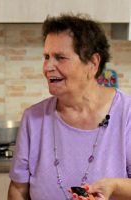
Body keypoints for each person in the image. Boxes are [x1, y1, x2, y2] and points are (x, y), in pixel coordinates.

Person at [8, 14, 131, 200]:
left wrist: (113, 186)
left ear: (93, 63)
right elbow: (18, 190)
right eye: (46, 57)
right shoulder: (33, 118)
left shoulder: (126, 113)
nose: (48, 66)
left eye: (60, 57)